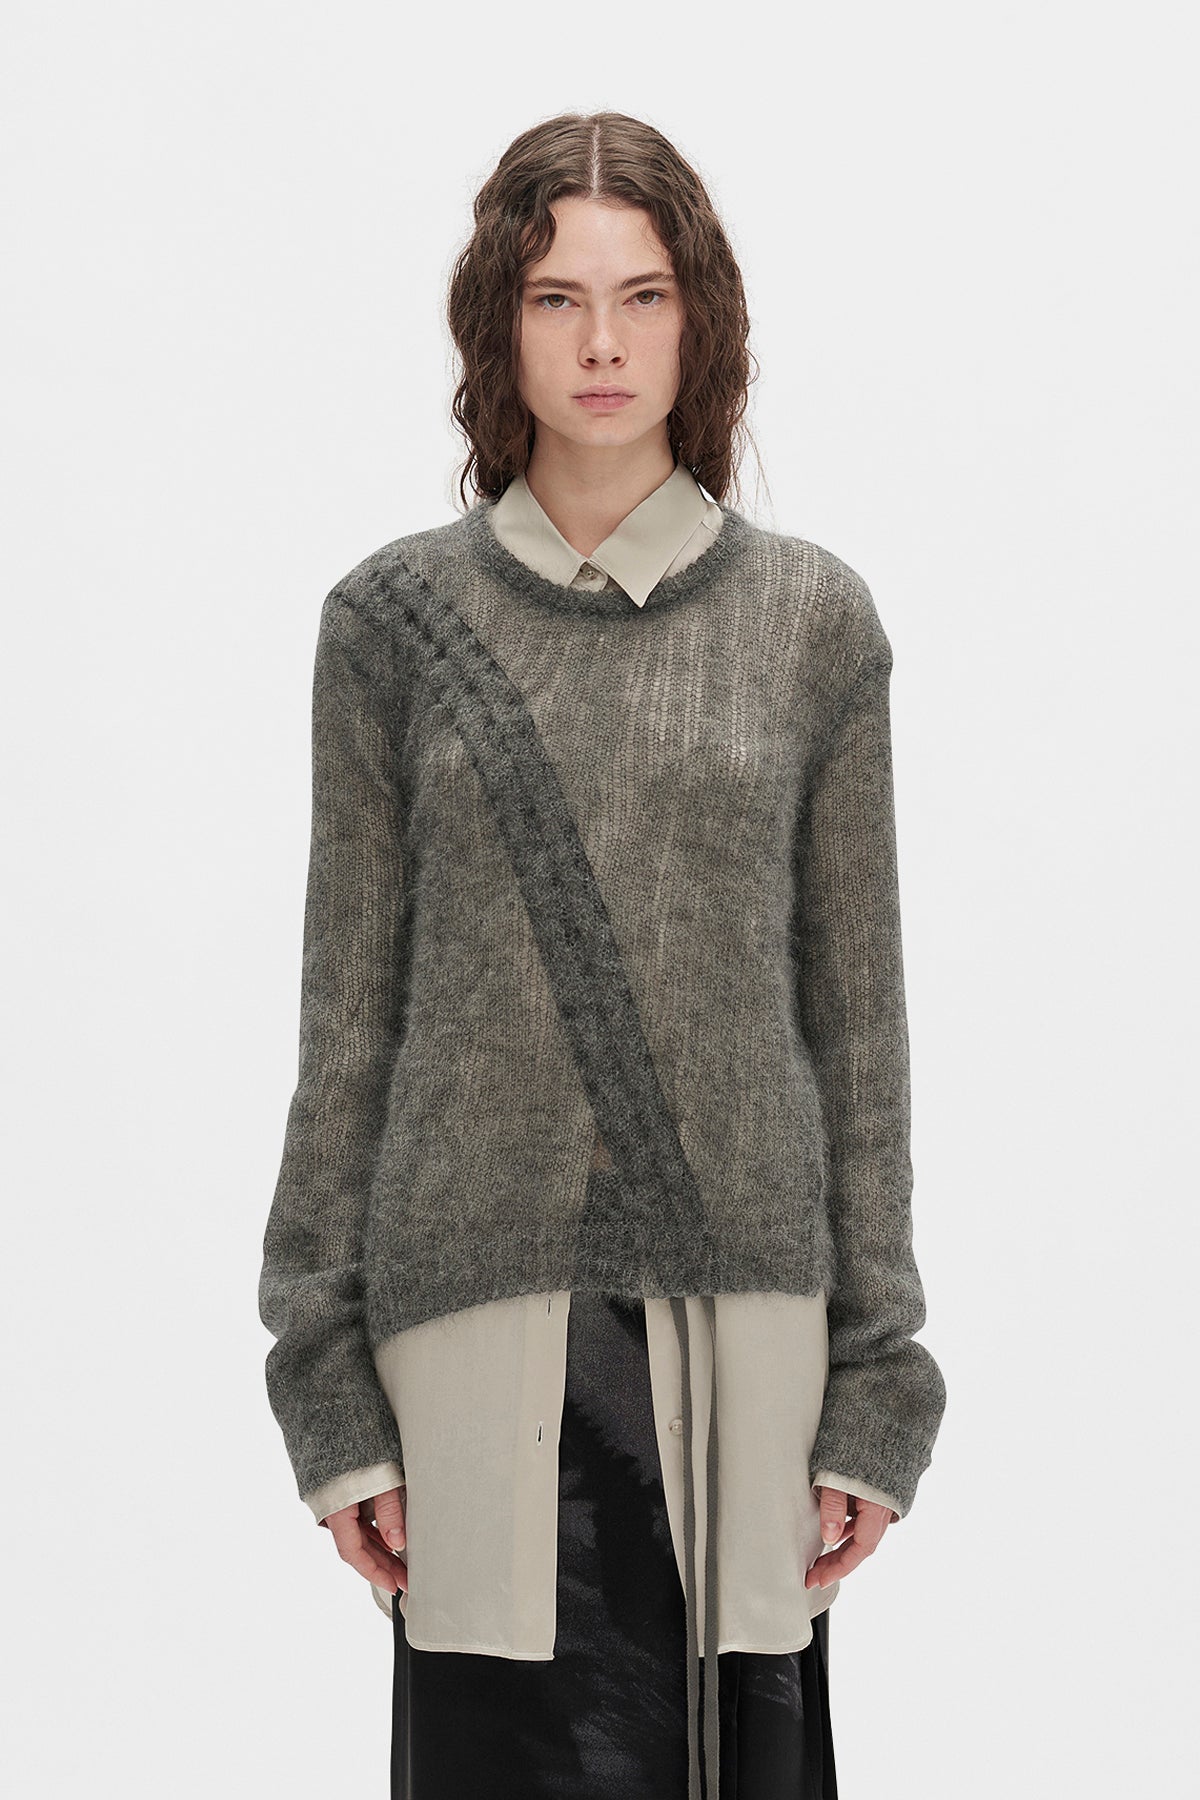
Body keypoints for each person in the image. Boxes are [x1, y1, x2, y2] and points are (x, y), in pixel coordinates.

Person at [258, 110, 947, 1800]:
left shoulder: (812, 623)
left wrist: (879, 1380)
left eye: (643, 297)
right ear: (499, 325)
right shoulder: (392, 625)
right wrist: (324, 1381)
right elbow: (348, 1028)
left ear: (700, 318)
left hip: (745, 1335)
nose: (603, 344)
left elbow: (859, 1030)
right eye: (558, 298)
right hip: (468, 1330)